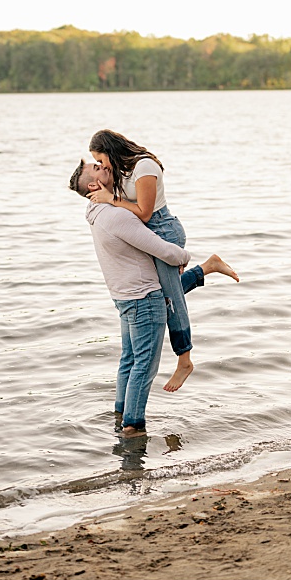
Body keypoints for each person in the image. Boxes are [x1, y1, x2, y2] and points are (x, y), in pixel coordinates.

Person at [68, 159, 238, 437]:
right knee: (144, 363)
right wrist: (184, 258)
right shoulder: (116, 216)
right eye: (97, 168)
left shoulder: (95, 211)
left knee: (129, 358)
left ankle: (122, 414)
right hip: (142, 297)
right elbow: (164, 250)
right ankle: (133, 427)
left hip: (125, 295)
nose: (104, 167)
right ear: (92, 185)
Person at [86, 128, 197, 393]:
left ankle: (185, 359)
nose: (101, 166)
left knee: (170, 296)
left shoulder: (144, 166)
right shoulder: (121, 170)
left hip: (163, 231)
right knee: (163, 295)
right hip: (148, 236)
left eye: (101, 160)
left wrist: (110, 199)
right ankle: (207, 269)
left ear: (111, 150)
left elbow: (145, 214)